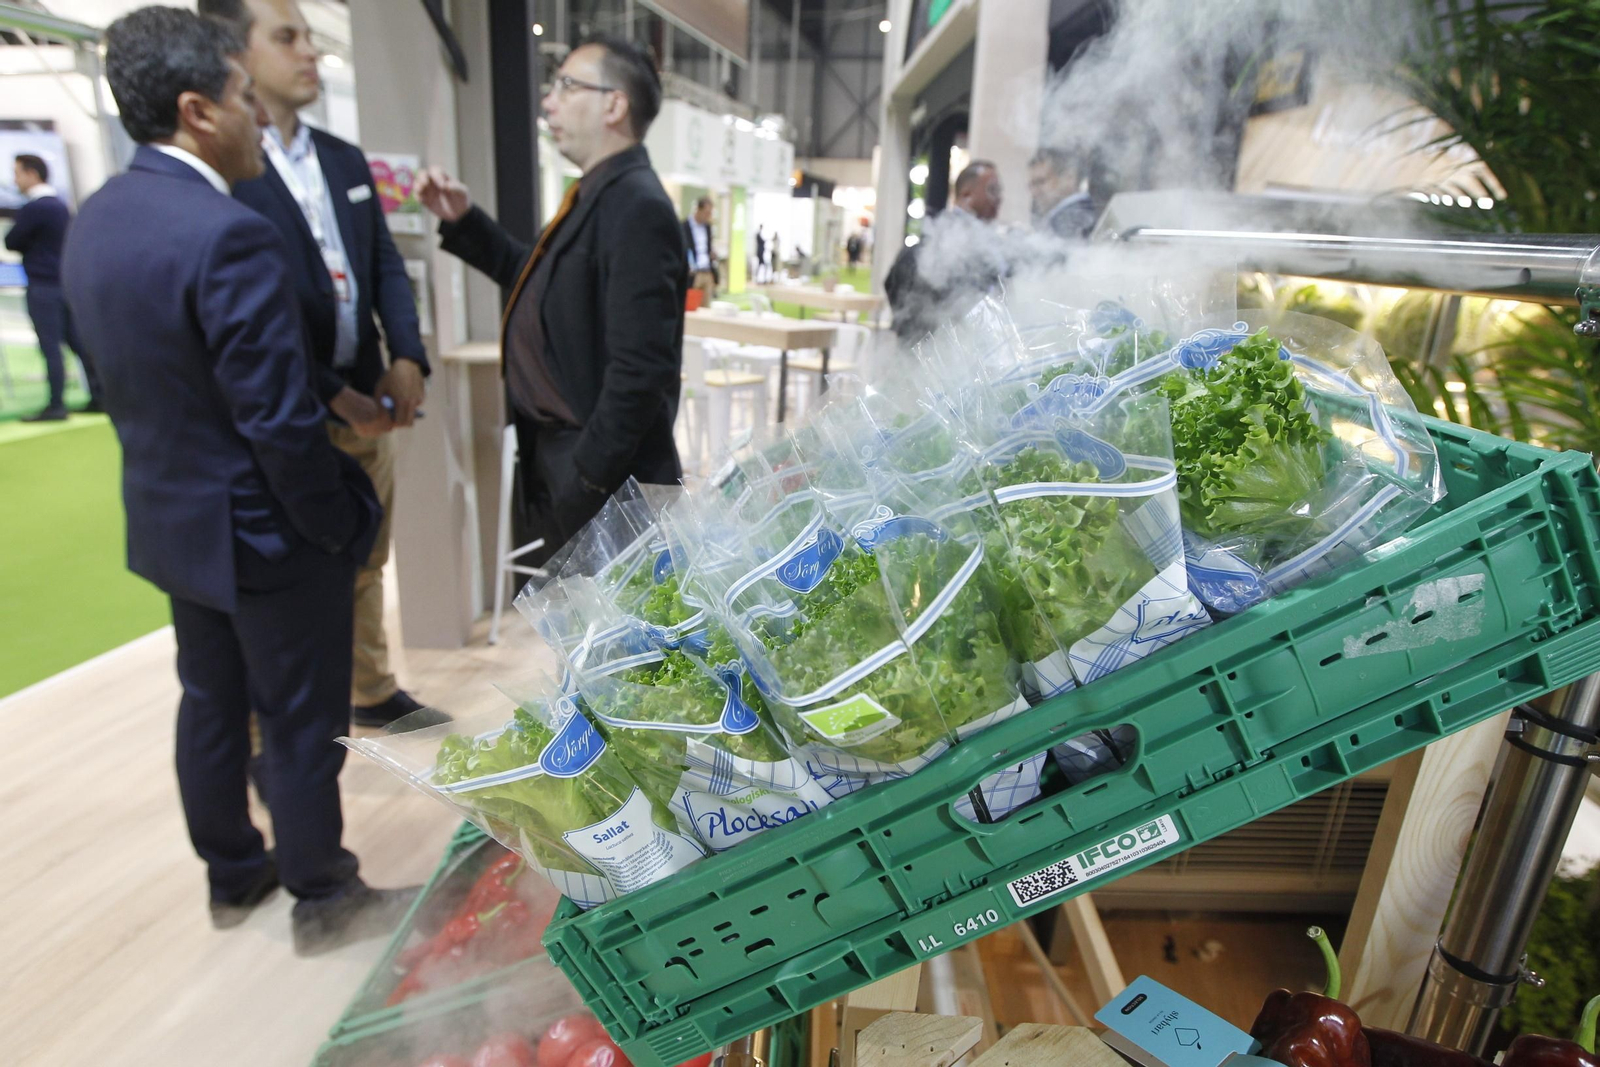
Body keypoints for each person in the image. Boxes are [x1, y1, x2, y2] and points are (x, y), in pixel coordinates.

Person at [61, 6, 415, 955]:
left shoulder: (96, 220)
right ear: (196, 112)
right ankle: (324, 892)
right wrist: (338, 520)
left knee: (210, 700)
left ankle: (232, 873)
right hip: (263, 526)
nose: (259, 118)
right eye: (241, 99)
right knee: (299, 712)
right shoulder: (227, 234)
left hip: (173, 516)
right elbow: (278, 418)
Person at [202, 0, 440, 730]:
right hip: (288, 413)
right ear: (236, 53)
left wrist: (407, 354)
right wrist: (335, 395)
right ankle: (263, 732)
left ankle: (369, 688)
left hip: (370, 400)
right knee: (275, 585)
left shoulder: (344, 159)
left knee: (368, 558)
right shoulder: (227, 172)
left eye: (310, 36)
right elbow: (251, 315)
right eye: (287, 38)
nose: (310, 53)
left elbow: (384, 265)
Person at [415, 35, 684, 554]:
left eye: (567, 84)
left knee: (615, 633)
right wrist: (466, 223)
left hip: (606, 487)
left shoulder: (636, 206)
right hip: (573, 469)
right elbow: (545, 287)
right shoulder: (598, 195)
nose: (548, 100)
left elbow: (640, 371)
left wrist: (583, 481)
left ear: (614, 103)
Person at [6, 153, 101, 421]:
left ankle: (56, 404)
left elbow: (13, 240)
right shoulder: (61, 206)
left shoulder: (35, 208)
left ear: (32, 174)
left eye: (17, 173)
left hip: (43, 286)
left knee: (50, 345)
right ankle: (98, 396)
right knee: (77, 342)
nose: (14, 179)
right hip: (63, 283)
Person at [884, 160, 1007, 344]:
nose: (998, 198)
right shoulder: (944, 239)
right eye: (992, 190)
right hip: (935, 354)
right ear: (967, 195)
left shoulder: (981, 241)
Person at [1028, 146, 1098, 241]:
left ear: (1069, 178)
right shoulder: (1066, 217)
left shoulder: (1072, 219)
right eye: (1032, 184)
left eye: (1041, 182)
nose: (1034, 192)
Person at [682, 195, 717, 305]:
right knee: (691, 306)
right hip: (693, 273)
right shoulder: (684, 226)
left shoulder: (708, 227)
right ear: (698, 210)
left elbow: (708, 247)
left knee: (706, 307)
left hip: (706, 270)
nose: (708, 216)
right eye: (707, 213)